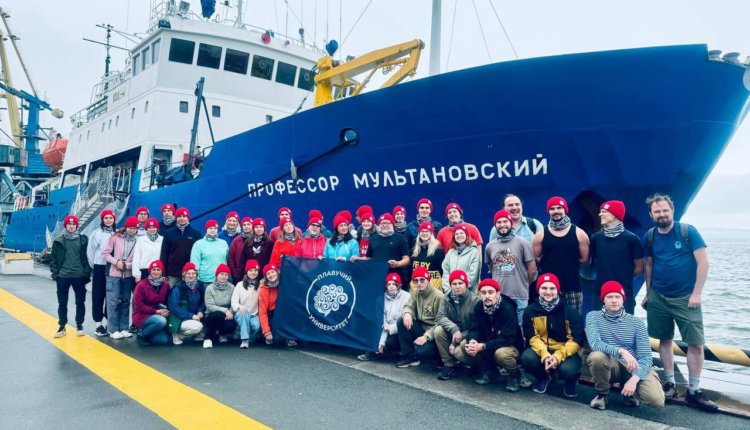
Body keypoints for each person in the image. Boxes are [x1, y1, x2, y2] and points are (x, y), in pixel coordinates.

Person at [641, 193, 715, 411]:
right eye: (657, 211)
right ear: (651, 214)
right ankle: (670, 383)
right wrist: (648, 293)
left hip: (686, 297)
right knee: (664, 339)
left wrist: (697, 293)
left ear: (672, 210)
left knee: (695, 343)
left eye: (665, 210)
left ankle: (694, 390)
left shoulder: (688, 232)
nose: (662, 214)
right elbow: (648, 265)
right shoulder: (650, 236)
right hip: (659, 296)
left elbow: (703, 263)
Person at [586, 281, 665, 410]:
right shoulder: (593, 317)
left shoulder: (637, 323)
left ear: (623, 300)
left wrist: (634, 379)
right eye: (609, 297)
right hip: (611, 364)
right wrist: (622, 351)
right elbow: (595, 343)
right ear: (603, 299)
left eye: (617, 297)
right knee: (596, 357)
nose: (614, 300)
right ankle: (602, 394)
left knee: (656, 400)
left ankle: (629, 391)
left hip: (633, 365)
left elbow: (646, 357)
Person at [455, 279, 528, 391]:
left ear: (497, 294)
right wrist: (473, 340)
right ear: (479, 294)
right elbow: (475, 328)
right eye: (483, 293)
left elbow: (508, 338)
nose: (487, 296)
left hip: (508, 346)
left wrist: (483, 346)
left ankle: (515, 374)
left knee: (501, 354)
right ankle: (490, 370)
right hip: (488, 343)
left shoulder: (507, 309)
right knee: (463, 347)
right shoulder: (479, 306)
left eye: (490, 292)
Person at [521, 273, 584, 398]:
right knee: (527, 358)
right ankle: (543, 377)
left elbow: (577, 340)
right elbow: (532, 337)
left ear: (558, 290)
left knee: (567, 370)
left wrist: (557, 356)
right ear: (538, 290)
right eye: (544, 288)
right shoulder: (530, 311)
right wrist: (545, 354)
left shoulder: (570, 312)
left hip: (565, 351)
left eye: (552, 288)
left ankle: (571, 381)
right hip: (543, 349)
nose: (548, 292)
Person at [532, 196, 590, 313]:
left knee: (574, 320)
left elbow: (585, 260)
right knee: (549, 320)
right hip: (548, 289)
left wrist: (567, 264)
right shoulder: (540, 234)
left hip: (572, 287)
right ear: (548, 211)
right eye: (552, 209)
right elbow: (536, 258)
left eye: (559, 208)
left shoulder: (579, 233)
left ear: (565, 210)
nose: (556, 211)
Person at [588, 200, 643, 315]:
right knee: (601, 325)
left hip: (624, 293)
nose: (600, 214)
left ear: (614, 214)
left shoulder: (632, 239)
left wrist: (624, 277)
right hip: (600, 293)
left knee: (625, 326)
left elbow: (639, 268)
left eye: (604, 211)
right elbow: (595, 262)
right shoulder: (595, 238)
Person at [485, 210, 537, 324]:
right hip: (499, 296)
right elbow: (491, 267)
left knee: (521, 328)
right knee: (502, 327)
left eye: (505, 221)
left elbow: (532, 269)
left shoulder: (523, 243)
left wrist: (524, 284)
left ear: (511, 223)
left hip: (520, 295)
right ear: (495, 225)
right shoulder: (490, 246)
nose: (502, 224)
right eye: (499, 222)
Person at [434, 270, 480, 380]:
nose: (457, 286)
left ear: (466, 284)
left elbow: (477, 328)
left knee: (458, 352)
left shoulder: (475, 301)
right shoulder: (446, 297)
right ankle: (449, 365)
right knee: (438, 330)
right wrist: (454, 329)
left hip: (469, 336)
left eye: (460, 283)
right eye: (454, 284)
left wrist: (454, 342)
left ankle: (476, 365)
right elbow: (440, 316)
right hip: (453, 332)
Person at [50, 215, 91, 338]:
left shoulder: (83, 240)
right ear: (65, 226)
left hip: (79, 276)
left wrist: (86, 272)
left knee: (80, 302)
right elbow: (53, 259)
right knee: (62, 303)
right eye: (69, 224)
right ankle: (62, 326)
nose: (71, 226)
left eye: (74, 224)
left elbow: (88, 257)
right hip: (63, 276)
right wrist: (55, 274)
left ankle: (79, 325)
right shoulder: (58, 241)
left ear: (77, 226)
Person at [395, 267, 444, 368]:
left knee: (421, 351)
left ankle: (438, 358)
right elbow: (408, 306)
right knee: (401, 320)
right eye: (416, 281)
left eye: (422, 280)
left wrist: (426, 336)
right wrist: (407, 313)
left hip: (433, 333)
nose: (419, 283)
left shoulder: (439, 296)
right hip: (421, 328)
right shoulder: (415, 293)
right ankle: (410, 357)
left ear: (428, 280)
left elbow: (441, 322)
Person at [358, 273, 411, 361]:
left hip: (401, 330)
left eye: (394, 284)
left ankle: (401, 353)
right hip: (386, 329)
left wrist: (391, 328)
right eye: (389, 284)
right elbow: (383, 323)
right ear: (386, 286)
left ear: (399, 285)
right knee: (375, 334)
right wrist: (381, 343)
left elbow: (405, 321)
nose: (391, 286)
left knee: (390, 342)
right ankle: (374, 352)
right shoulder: (381, 299)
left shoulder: (407, 296)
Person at [102, 216, 138, 338]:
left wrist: (128, 266)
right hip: (114, 274)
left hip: (128, 275)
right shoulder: (115, 238)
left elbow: (137, 259)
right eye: (130, 227)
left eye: (134, 228)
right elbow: (105, 253)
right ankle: (112, 329)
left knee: (125, 301)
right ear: (126, 227)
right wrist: (116, 262)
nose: (132, 230)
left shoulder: (137, 241)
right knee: (113, 302)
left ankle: (124, 328)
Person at [86, 209, 116, 337]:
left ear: (114, 219)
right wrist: (95, 265)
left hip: (113, 268)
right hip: (99, 267)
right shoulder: (96, 233)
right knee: (98, 296)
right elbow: (90, 251)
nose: (108, 220)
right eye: (106, 218)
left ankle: (109, 322)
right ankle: (98, 324)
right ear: (102, 220)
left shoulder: (117, 233)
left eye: (111, 218)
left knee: (111, 297)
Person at [132, 260, 171, 346]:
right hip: (142, 315)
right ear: (150, 271)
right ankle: (141, 334)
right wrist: (155, 311)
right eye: (153, 269)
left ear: (162, 272)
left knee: (163, 340)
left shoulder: (165, 285)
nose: (156, 272)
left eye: (158, 269)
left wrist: (166, 310)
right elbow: (138, 305)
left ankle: (148, 332)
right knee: (161, 321)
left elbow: (167, 302)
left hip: (158, 315)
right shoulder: (141, 285)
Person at [160, 207, 201, 287]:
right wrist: (164, 273)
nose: (181, 218)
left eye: (184, 216)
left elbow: (199, 254)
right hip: (172, 274)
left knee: (188, 294)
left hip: (190, 274)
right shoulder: (168, 233)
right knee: (171, 293)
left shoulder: (196, 234)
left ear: (188, 218)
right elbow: (164, 254)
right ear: (176, 218)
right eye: (179, 216)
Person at [365, 213, 410, 284]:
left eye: (387, 223)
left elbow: (407, 259)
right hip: (376, 276)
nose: (385, 225)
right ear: (379, 225)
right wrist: (357, 259)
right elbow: (368, 257)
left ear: (392, 224)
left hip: (394, 278)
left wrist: (398, 264)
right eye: (382, 223)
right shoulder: (373, 238)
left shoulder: (400, 238)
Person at [167, 262, 205, 345]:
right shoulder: (178, 288)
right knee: (198, 327)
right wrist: (191, 316)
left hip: (194, 316)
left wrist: (200, 311)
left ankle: (192, 332)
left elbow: (203, 302)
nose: (191, 276)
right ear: (184, 274)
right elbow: (175, 307)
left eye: (193, 273)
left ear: (196, 274)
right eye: (188, 273)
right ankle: (177, 333)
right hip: (179, 318)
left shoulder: (200, 286)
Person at [202, 263, 237, 349]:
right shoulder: (209, 288)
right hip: (212, 314)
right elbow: (210, 306)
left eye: (226, 275)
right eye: (221, 274)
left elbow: (234, 302)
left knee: (231, 326)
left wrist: (230, 312)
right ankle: (208, 338)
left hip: (228, 314)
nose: (223, 276)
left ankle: (222, 334)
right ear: (217, 275)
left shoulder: (232, 287)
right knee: (217, 315)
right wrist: (226, 311)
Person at [232, 259, 262, 349]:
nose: (253, 272)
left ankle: (251, 338)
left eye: (255, 270)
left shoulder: (261, 285)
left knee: (256, 326)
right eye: (250, 270)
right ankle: (244, 340)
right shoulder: (239, 285)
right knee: (243, 313)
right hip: (241, 313)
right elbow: (234, 302)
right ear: (247, 272)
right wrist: (239, 306)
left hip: (254, 315)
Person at [441, 225, 480, 294]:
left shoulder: (474, 252)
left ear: (467, 235)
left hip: (468, 294)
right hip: (451, 293)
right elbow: (445, 272)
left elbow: (473, 275)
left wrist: (460, 289)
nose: (459, 235)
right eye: (456, 234)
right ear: (454, 237)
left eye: (462, 233)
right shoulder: (450, 252)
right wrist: (449, 290)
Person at [190, 219, 230, 287]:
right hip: (205, 281)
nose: (213, 230)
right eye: (210, 228)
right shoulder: (198, 244)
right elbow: (194, 263)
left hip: (222, 279)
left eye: (215, 228)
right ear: (206, 230)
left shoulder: (223, 243)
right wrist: (196, 279)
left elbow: (228, 260)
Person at [259, 264, 292, 346]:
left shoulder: (284, 284)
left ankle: (290, 337)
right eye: (268, 273)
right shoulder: (263, 289)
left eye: (272, 272)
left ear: (277, 272)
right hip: (272, 313)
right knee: (275, 334)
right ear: (265, 277)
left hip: (284, 311)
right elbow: (262, 312)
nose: (271, 275)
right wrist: (266, 332)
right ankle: (268, 335)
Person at [408, 222, 445, 291]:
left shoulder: (438, 251)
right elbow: (410, 272)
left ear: (431, 234)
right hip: (415, 287)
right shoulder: (413, 251)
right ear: (419, 233)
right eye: (422, 231)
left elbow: (443, 272)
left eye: (427, 231)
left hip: (433, 287)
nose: (424, 233)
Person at [228, 217, 254, 281]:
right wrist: (235, 272)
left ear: (252, 225)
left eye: (248, 224)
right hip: (240, 274)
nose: (246, 226)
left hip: (255, 273)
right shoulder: (236, 240)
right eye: (244, 225)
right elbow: (231, 257)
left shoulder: (257, 239)